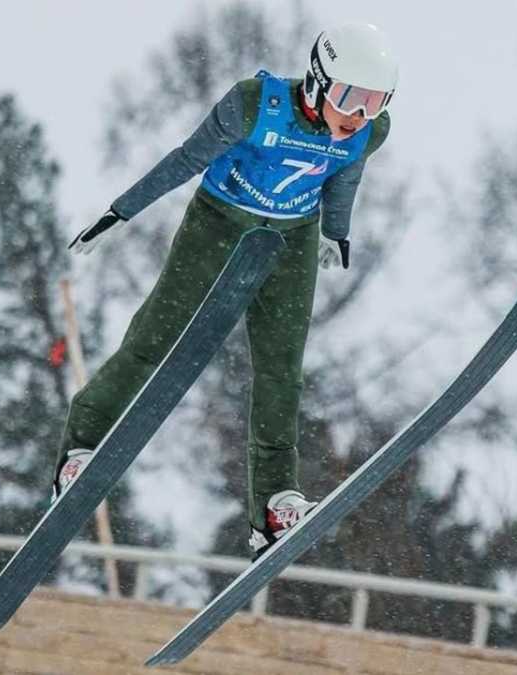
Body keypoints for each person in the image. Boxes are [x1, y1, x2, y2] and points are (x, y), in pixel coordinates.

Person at [56, 23, 397, 559]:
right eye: (351, 97)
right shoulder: (255, 104)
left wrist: (336, 231)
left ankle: (274, 506)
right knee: (155, 339)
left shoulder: (367, 133)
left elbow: (345, 177)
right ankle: (81, 448)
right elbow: (185, 159)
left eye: (375, 103)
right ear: (317, 79)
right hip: (218, 223)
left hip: (291, 238)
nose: (358, 115)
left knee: (282, 370)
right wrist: (121, 212)